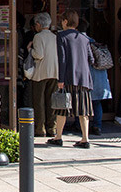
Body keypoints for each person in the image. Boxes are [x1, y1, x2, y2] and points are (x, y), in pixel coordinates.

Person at [47, 9, 95, 149]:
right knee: (83, 109)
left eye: (62, 20)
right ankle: (85, 139)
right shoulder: (84, 38)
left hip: (68, 76)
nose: (61, 23)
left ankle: (58, 137)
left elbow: (62, 59)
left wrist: (60, 79)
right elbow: (91, 59)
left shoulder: (61, 36)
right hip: (84, 78)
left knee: (62, 107)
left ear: (66, 21)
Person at [27, 12, 58, 137]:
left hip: (41, 73)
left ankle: (40, 128)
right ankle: (52, 127)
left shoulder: (38, 37)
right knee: (51, 101)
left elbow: (38, 55)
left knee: (39, 101)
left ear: (38, 24)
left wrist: (30, 49)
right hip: (54, 72)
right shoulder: (55, 36)